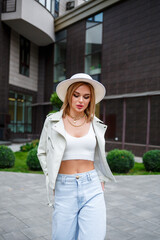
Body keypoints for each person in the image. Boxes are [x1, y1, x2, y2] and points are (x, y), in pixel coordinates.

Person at [37, 73, 116, 240]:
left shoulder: (96, 124)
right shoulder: (52, 121)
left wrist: (100, 179)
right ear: (69, 95)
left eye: (86, 97)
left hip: (92, 185)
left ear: (91, 99)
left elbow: (98, 155)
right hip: (64, 186)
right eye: (76, 95)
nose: (81, 100)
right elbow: (42, 151)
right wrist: (51, 175)